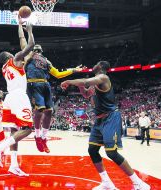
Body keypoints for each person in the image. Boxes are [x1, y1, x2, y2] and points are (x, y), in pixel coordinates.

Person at [61, 61, 150, 190]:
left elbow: (85, 83)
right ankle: (107, 183)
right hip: (99, 120)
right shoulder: (94, 83)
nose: (94, 64)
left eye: (96, 63)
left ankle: (138, 183)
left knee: (111, 153)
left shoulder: (103, 77)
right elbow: (86, 93)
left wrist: (69, 81)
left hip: (110, 117)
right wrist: (79, 86)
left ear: (101, 67)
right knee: (92, 150)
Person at [18, 16, 83, 153]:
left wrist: (73, 70)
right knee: (39, 110)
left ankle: (43, 137)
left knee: (49, 112)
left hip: (45, 85)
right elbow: (23, 41)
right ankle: (36, 136)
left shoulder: (47, 62)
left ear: (41, 51)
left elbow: (58, 74)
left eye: (38, 50)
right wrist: (22, 27)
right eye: (36, 49)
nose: (37, 52)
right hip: (33, 84)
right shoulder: (28, 56)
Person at [0, 21, 34, 176]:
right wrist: (29, 30)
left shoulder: (4, 67)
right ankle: (0, 147)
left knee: (15, 131)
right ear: (10, 56)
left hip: (9, 98)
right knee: (28, 129)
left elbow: (26, 52)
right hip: (19, 96)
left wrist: (19, 25)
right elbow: (30, 46)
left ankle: (14, 165)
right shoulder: (15, 59)